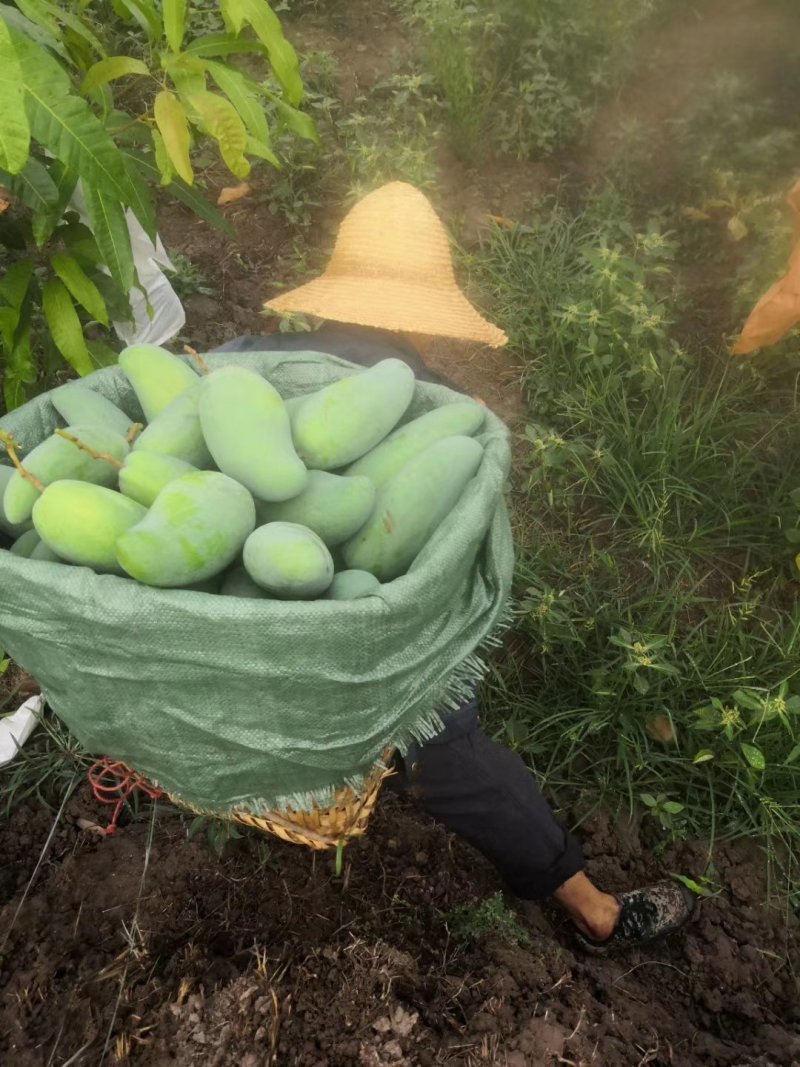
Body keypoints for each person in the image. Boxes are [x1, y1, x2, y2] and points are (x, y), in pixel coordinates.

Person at [215, 182, 695, 953]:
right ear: (423, 312)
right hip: (352, 646)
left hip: (225, 643)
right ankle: (595, 910)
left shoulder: (239, 362)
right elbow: (449, 576)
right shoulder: (449, 413)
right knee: (447, 739)